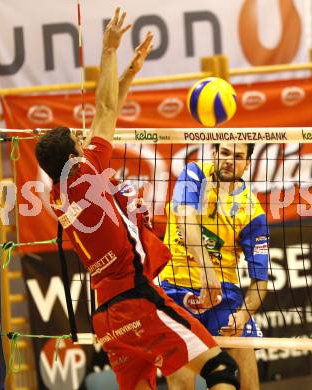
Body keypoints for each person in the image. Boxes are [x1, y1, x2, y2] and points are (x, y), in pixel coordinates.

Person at [35, 8, 240, 390]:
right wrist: (109, 50)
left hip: (108, 317)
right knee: (222, 371)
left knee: (169, 379)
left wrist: (130, 73)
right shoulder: (86, 172)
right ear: (74, 158)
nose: (86, 140)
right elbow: (106, 109)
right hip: (137, 297)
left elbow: (106, 110)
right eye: (79, 143)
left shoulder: (58, 192)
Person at [161, 143, 269, 390]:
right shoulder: (193, 175)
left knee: (248, 382)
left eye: (239, 156)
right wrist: (206, 269)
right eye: (225, 153)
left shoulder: (252, 211)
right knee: (180, 383)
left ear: (247, 163)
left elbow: (260, 283)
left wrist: (243, 315)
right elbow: (184, 219)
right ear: (214, 154)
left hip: (224, 298)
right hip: (175, 290)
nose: (230, 160)